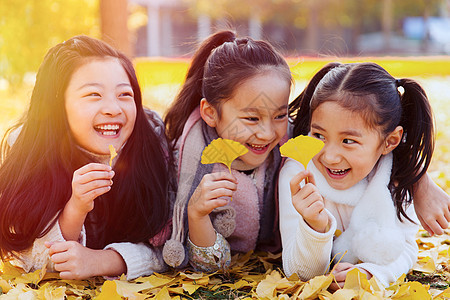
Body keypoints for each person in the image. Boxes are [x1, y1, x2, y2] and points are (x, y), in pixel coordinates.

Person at [0, 35, 173, 280]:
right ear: (58, 106)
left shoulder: (153, 142)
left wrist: (100, 261)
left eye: (124, 95)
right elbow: (25, 253)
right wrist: (76, 207)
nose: (113, 108)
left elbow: (171, 248)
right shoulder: (28, 149)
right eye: (94, 95)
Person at [279, 62, 436, 289]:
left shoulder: (398, 178)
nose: (330, 156)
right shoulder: (298, 177)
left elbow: (407, 249)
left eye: (348, 141)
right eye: (319, 135)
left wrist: (372, 273)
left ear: (390, 141)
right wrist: (315, 227)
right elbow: (298, 272)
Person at [162, 30, 292, 271]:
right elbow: (211, 266)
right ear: (210, 113)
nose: (267, 133)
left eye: (280, 115)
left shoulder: (291, 149)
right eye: (252, 118)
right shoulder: (189, 160)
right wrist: (197, 215)